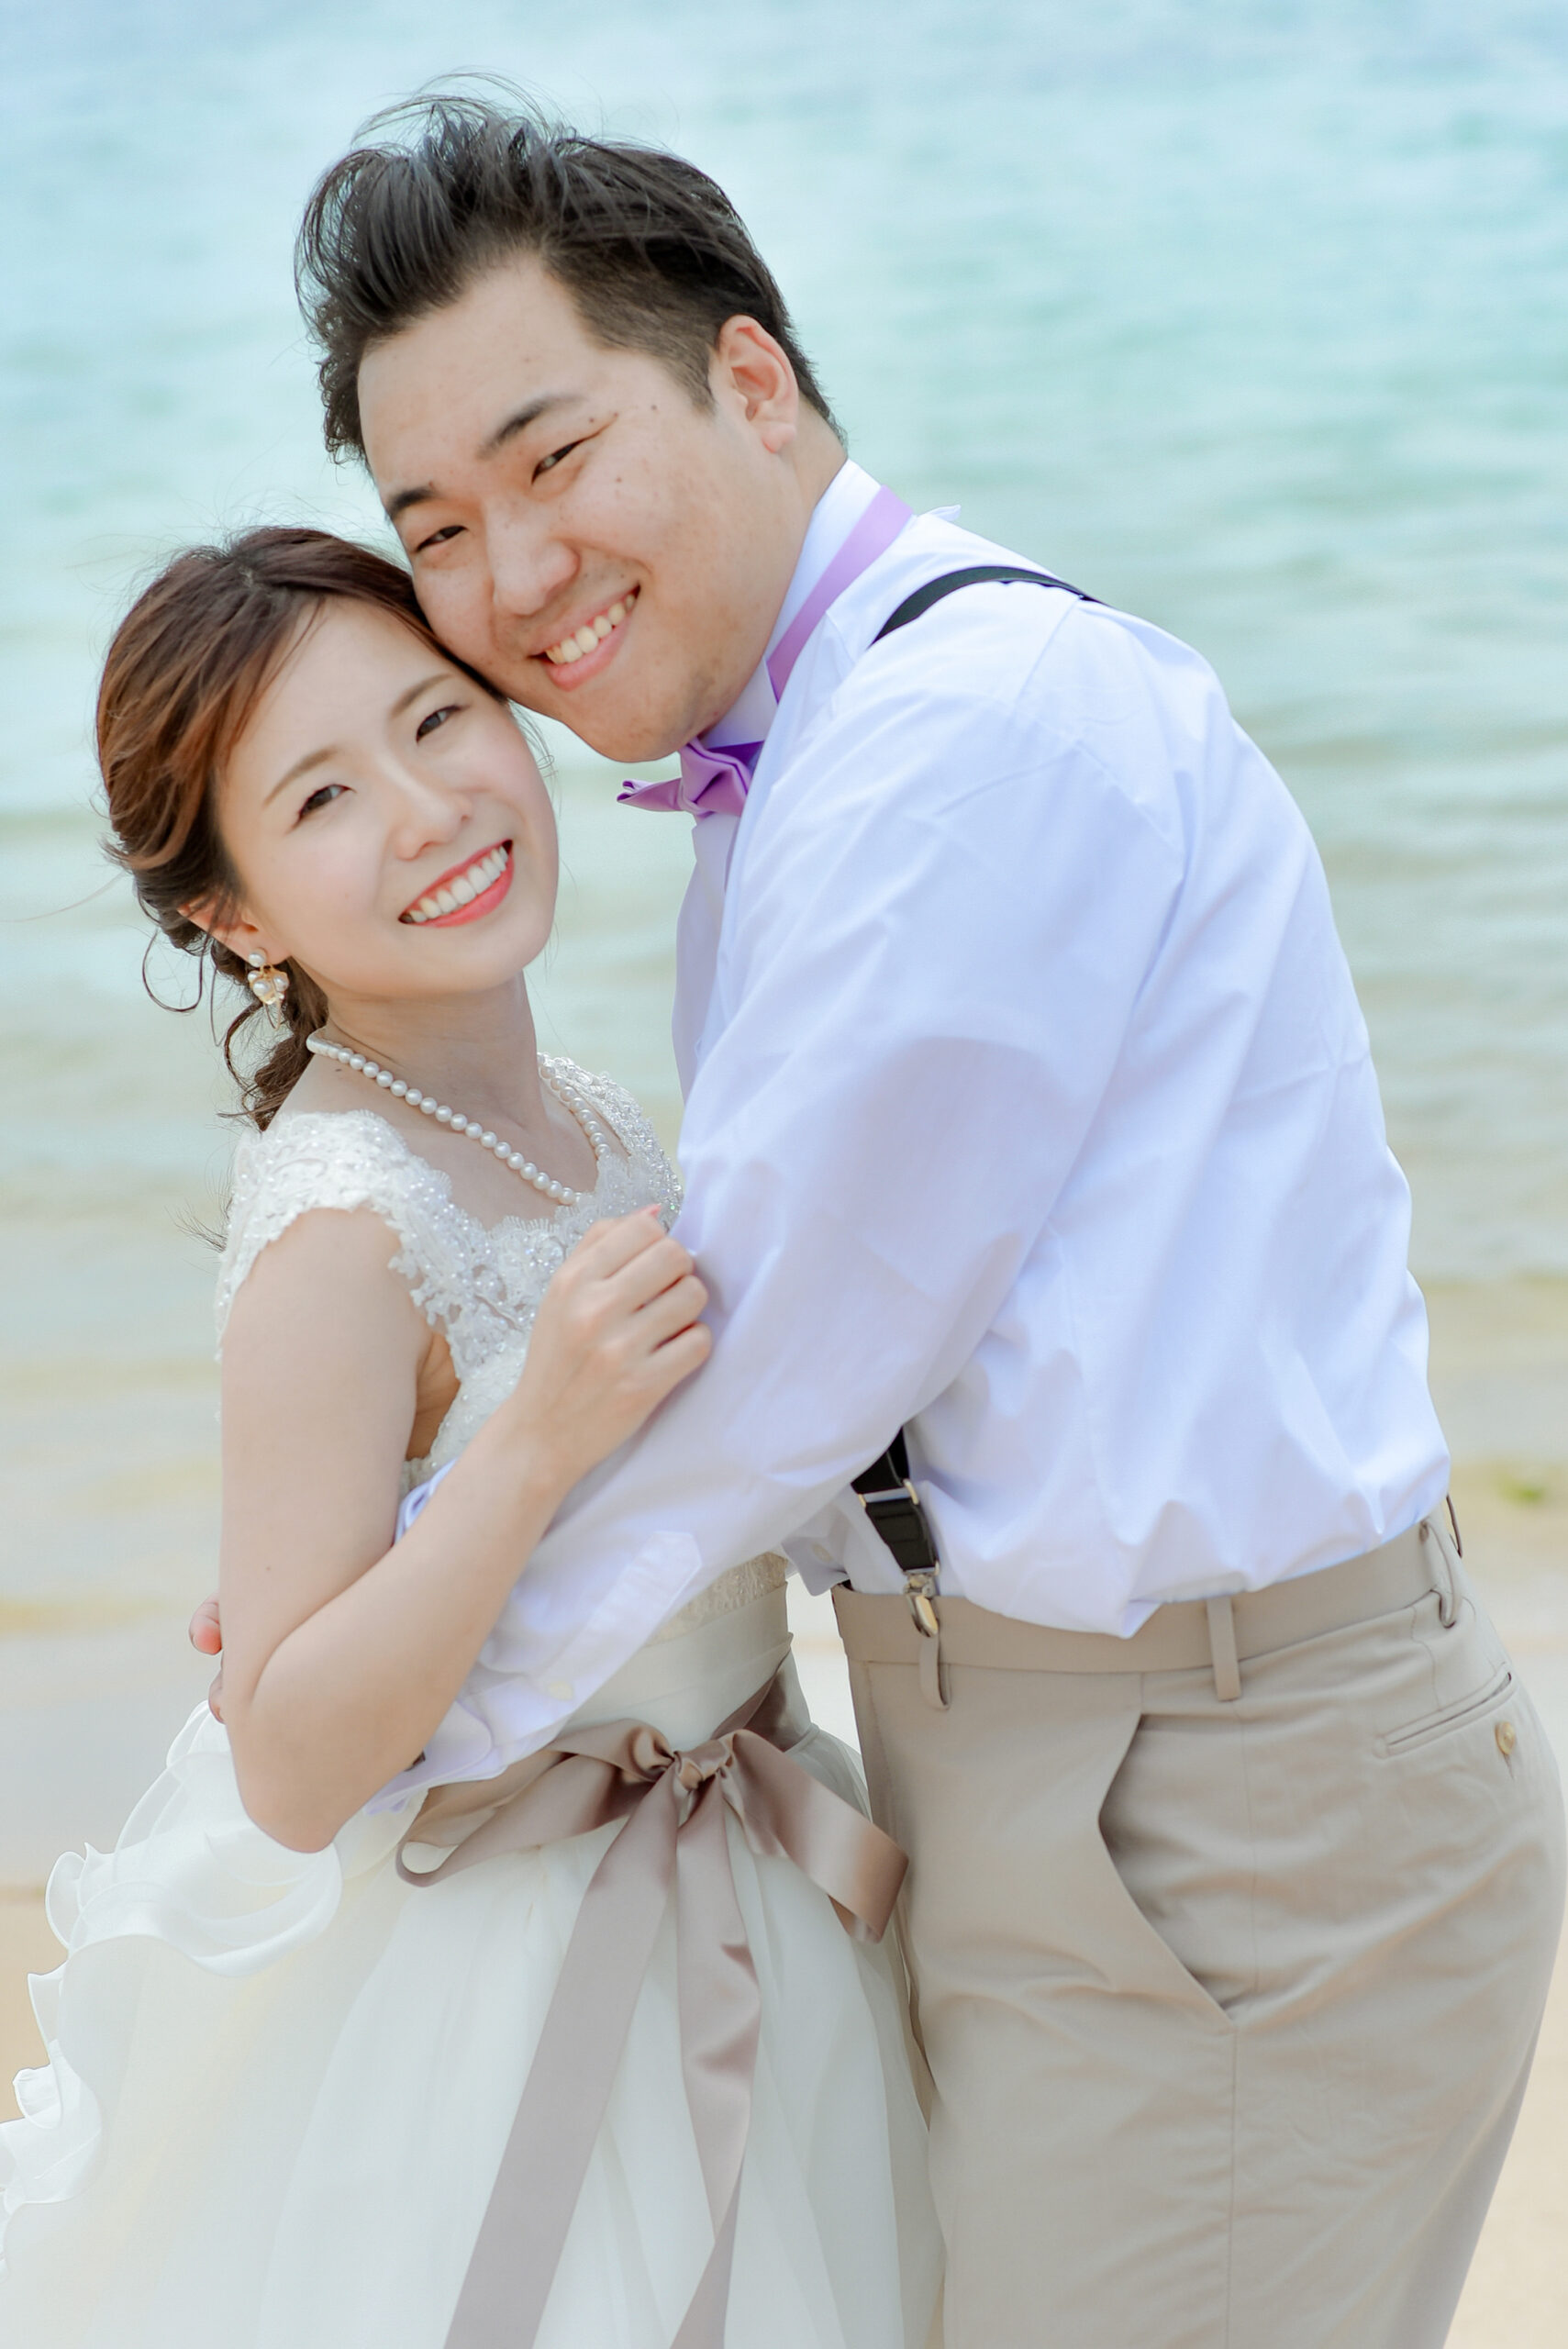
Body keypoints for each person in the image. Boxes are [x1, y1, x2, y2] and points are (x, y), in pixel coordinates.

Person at [217, 89, 1559, 2348]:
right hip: (1068, 1775)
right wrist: (378, 1567)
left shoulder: (964, 740)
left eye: (556, 459)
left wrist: (366, 1684)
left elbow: (754, 1370)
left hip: (1216, 1819)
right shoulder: (821, 744)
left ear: (750, 379)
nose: (513, 578)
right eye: (439, 527)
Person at [0, 528, 940, 2349]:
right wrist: (530, 1448)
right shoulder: (338, 1220)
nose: (429, 808)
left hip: (761, 1866)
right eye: (325, 797)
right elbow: (290, 1764)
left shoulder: (587, 1116)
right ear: (239, 916)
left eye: (438, 718)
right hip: (512, 1958)